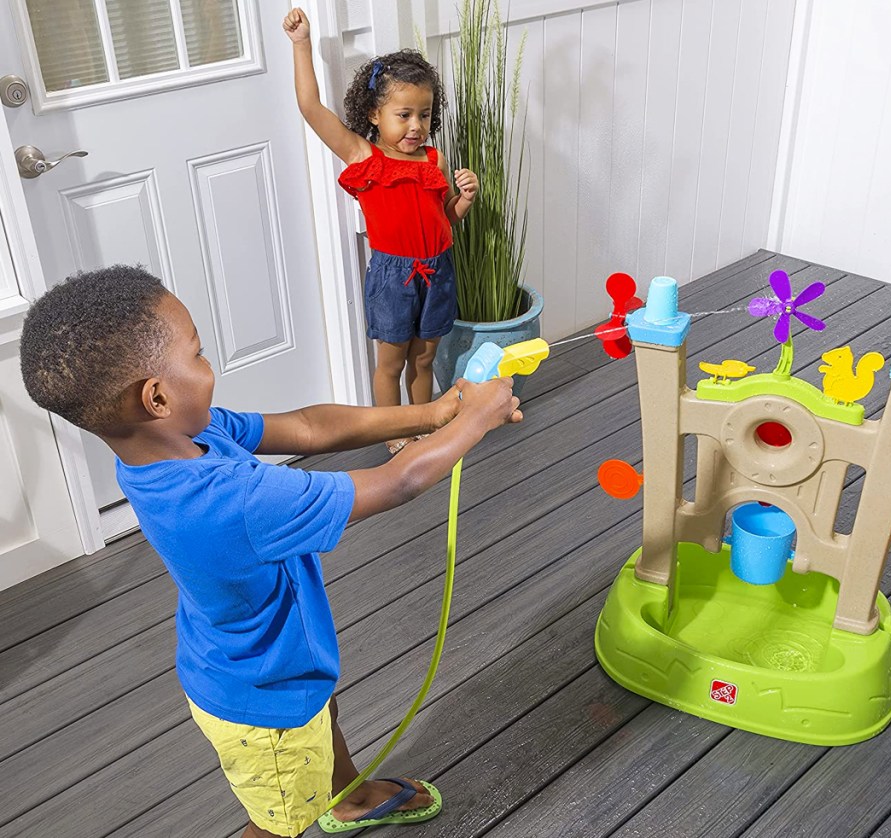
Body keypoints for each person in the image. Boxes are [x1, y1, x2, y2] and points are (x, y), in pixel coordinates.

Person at [19, 266, 521, 837]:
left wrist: (431, 414)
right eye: (199, 355)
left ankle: (346, 798)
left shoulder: (180, 441)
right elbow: (397, 482)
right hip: (262, 698)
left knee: (317, 710)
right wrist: (479, 416)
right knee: (278, 823)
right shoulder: (228, 500)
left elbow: (308, 427)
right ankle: (318, 806)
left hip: (265, 659)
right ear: (157, 396)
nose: (211, 368)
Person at [284, 7, 479, 456]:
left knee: (425, 357)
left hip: (438, 271)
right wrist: (301, 46)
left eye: (425, 115)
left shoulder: (434, 161)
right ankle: (393, 432)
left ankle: (429, 420)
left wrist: (463, 199)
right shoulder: (363, 157)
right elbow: (310, 107)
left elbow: (443, 219)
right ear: (375, 113)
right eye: (404, 114)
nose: (416, 126)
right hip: (394, 277)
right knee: (390, 362)